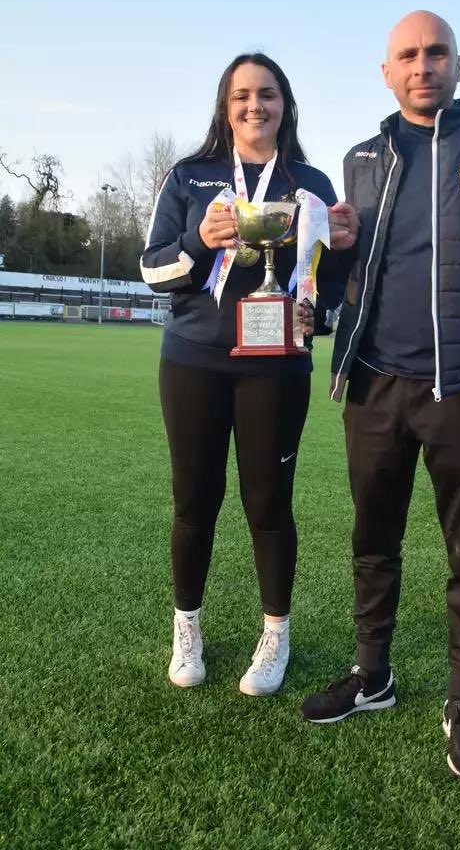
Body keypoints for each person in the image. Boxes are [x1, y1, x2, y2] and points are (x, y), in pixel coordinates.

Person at [301, 12, 460, 782]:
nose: (424, 65)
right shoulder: (360, 159)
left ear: (457, 63)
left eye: (436, 52)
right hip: (377, 384)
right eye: (408, 55)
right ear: (387, 71)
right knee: (372, 542)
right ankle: (373, 675)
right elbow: (345, 278)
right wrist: (328, 263)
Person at [140, 53, 357, 696]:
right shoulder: (190, 175)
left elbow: (326, 300)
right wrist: (198, 242)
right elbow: (152, 272)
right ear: (224, 105)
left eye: (266, 94)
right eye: (241, 96)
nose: (253, 106)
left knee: (268, 504)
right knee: (194, 501)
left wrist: (340, 253)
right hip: (193, 361)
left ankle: (275, 634)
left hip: (277, 365)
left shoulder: (311, 183)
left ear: (285, 103)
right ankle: (188, 628)